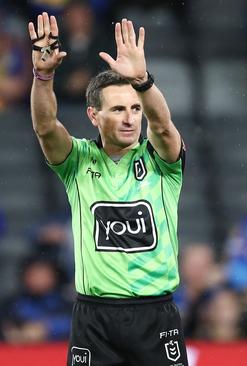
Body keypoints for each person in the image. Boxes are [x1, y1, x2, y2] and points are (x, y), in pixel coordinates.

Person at [29, 12, 188, 365]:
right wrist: (44, 76)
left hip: (154, 314)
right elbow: (44, 126)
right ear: (93, 116)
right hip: (94, 319)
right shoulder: (77, 161)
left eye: (135, 108)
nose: (131, 118)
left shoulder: (162, 161)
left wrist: (144, 81)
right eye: (118, 109)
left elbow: (162, 127)